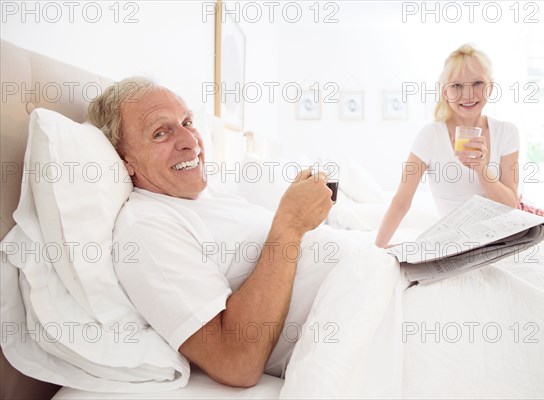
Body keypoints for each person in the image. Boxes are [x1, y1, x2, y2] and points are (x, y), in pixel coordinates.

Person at [87, 77, 401, 388]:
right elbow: (236, 361)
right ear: (125, 159)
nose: (190, 141)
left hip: (386, 296)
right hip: (376, 330)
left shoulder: (212, 196)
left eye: (187, 122)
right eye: (160, 133)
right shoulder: (146, 230)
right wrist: (289, 225)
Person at [376, 44, 544, 253]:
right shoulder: (430, 135)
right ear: (445, 92)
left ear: (490, 87)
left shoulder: (506, 131)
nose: (468, 94)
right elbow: (401, 200)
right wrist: (379, 246)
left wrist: (481, 168)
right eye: (456, 86)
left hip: (515, 221)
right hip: (466, 238)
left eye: (477, 83)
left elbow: (510, 203)